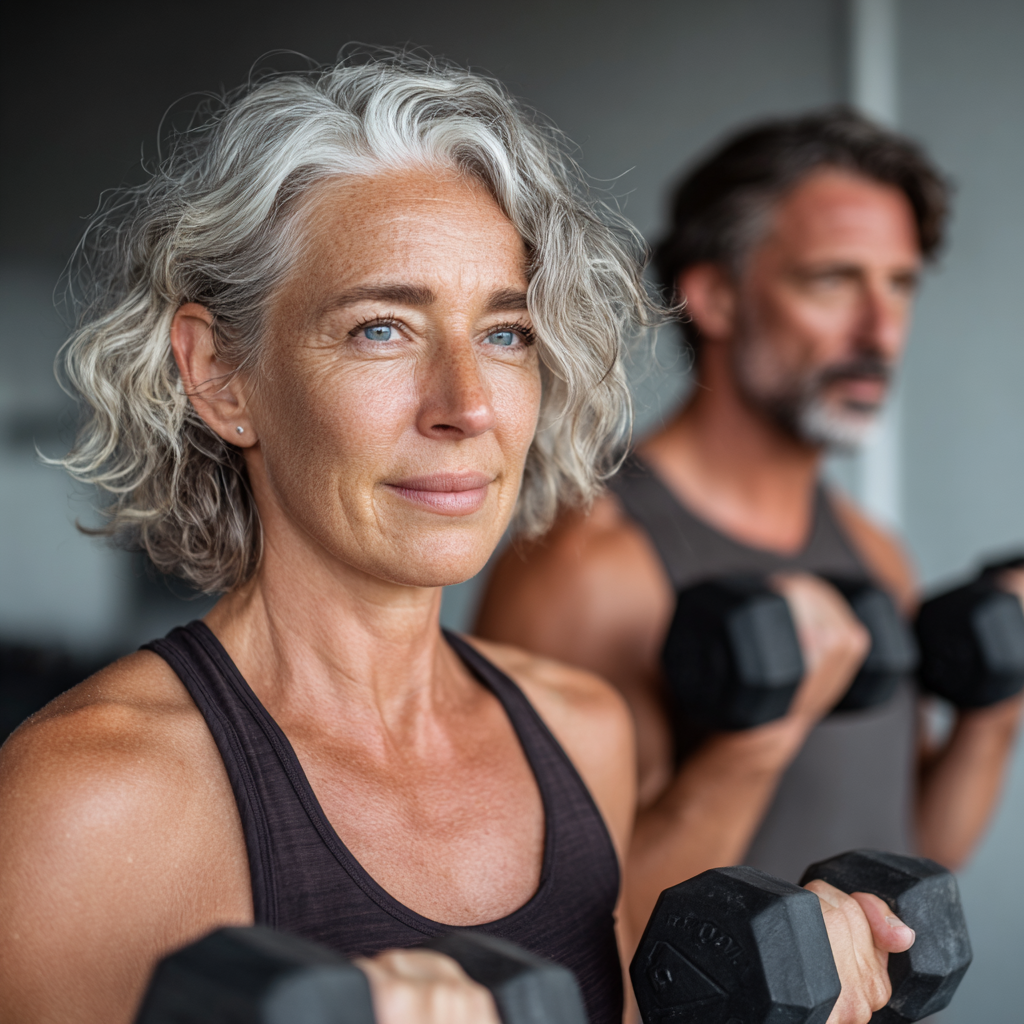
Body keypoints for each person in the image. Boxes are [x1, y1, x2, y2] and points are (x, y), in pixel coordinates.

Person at [0, 62, 913, 1024]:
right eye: (382, 329)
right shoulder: (90, 801)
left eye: (506, 335)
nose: (467, 405)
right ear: (221, 374)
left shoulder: (580, 729)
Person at [476, 110, 1024, 933]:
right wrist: (761, 737)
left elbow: (915, 845)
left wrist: (997, 706)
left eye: (899, 284)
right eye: (833, 281)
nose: (880, 331)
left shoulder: (874, 553)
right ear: (717, 296)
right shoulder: (587, 561)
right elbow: (576, 940)